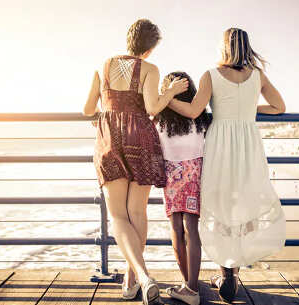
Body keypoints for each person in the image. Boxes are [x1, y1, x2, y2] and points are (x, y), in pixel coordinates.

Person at [167, 27, 287, 303]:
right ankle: (232, 271)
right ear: (247, 47)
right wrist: (248, 109)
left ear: (223, 47)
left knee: (219, 204)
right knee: (242, 203)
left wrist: (166, 100)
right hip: (247, 146)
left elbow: (193, 111)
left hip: (220, 144)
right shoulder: (257, 75)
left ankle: (226, 271)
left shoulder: (211, 75)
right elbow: (279, 106)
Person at [83, 19, 188, 305]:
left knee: (118, 216)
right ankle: (133, 279)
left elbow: (87, 109)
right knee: (137, 214)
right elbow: (153, 107)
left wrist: (106, 115)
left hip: (109, 140)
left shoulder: (102, 66)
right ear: (151, 48)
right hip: (141, 139)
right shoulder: (150, 69)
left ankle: (142, 277)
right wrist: (172, 92)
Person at [154, 72, 211, 305]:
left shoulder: (159, 117)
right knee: (192, 229)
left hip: (171, 174)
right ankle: (192, 286)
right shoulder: (200, 117)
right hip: (194, 172)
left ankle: (188, 283)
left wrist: (164, 97)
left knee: (176, 228)